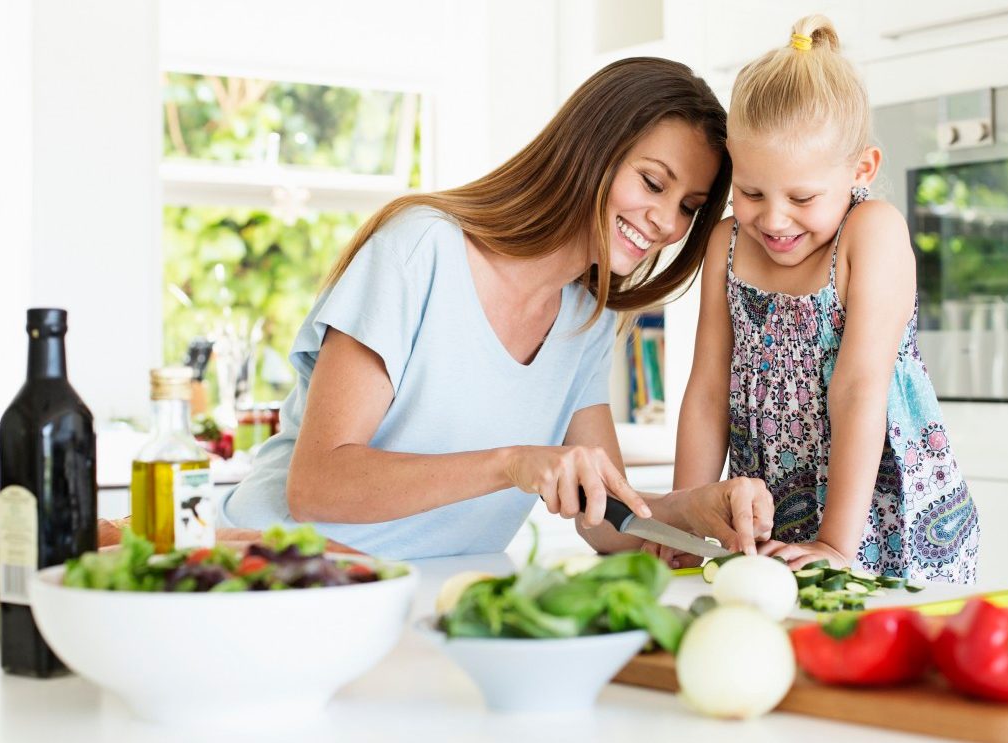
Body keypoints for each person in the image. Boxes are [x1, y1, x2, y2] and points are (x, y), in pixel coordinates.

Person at [221, 57, 776, 561]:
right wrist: (512, 463)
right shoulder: (421, 249)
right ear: (591, 148)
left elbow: (606, 521)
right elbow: (316, 486)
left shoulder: (588, 317)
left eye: (688, 207)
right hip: (277, 578)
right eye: (652, 183)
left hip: (434, 596)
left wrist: (692, 506)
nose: (668, 223)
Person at [670, 16, 979, 583]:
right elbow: (708, 389)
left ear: (862, 168)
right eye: (751, 190)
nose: (774, 217)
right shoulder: (728, 242)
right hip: (770, 524)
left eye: (802, 196)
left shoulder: (872, 233)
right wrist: (684, 522)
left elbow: (860, 387)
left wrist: (837, 541)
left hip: (878, 520)